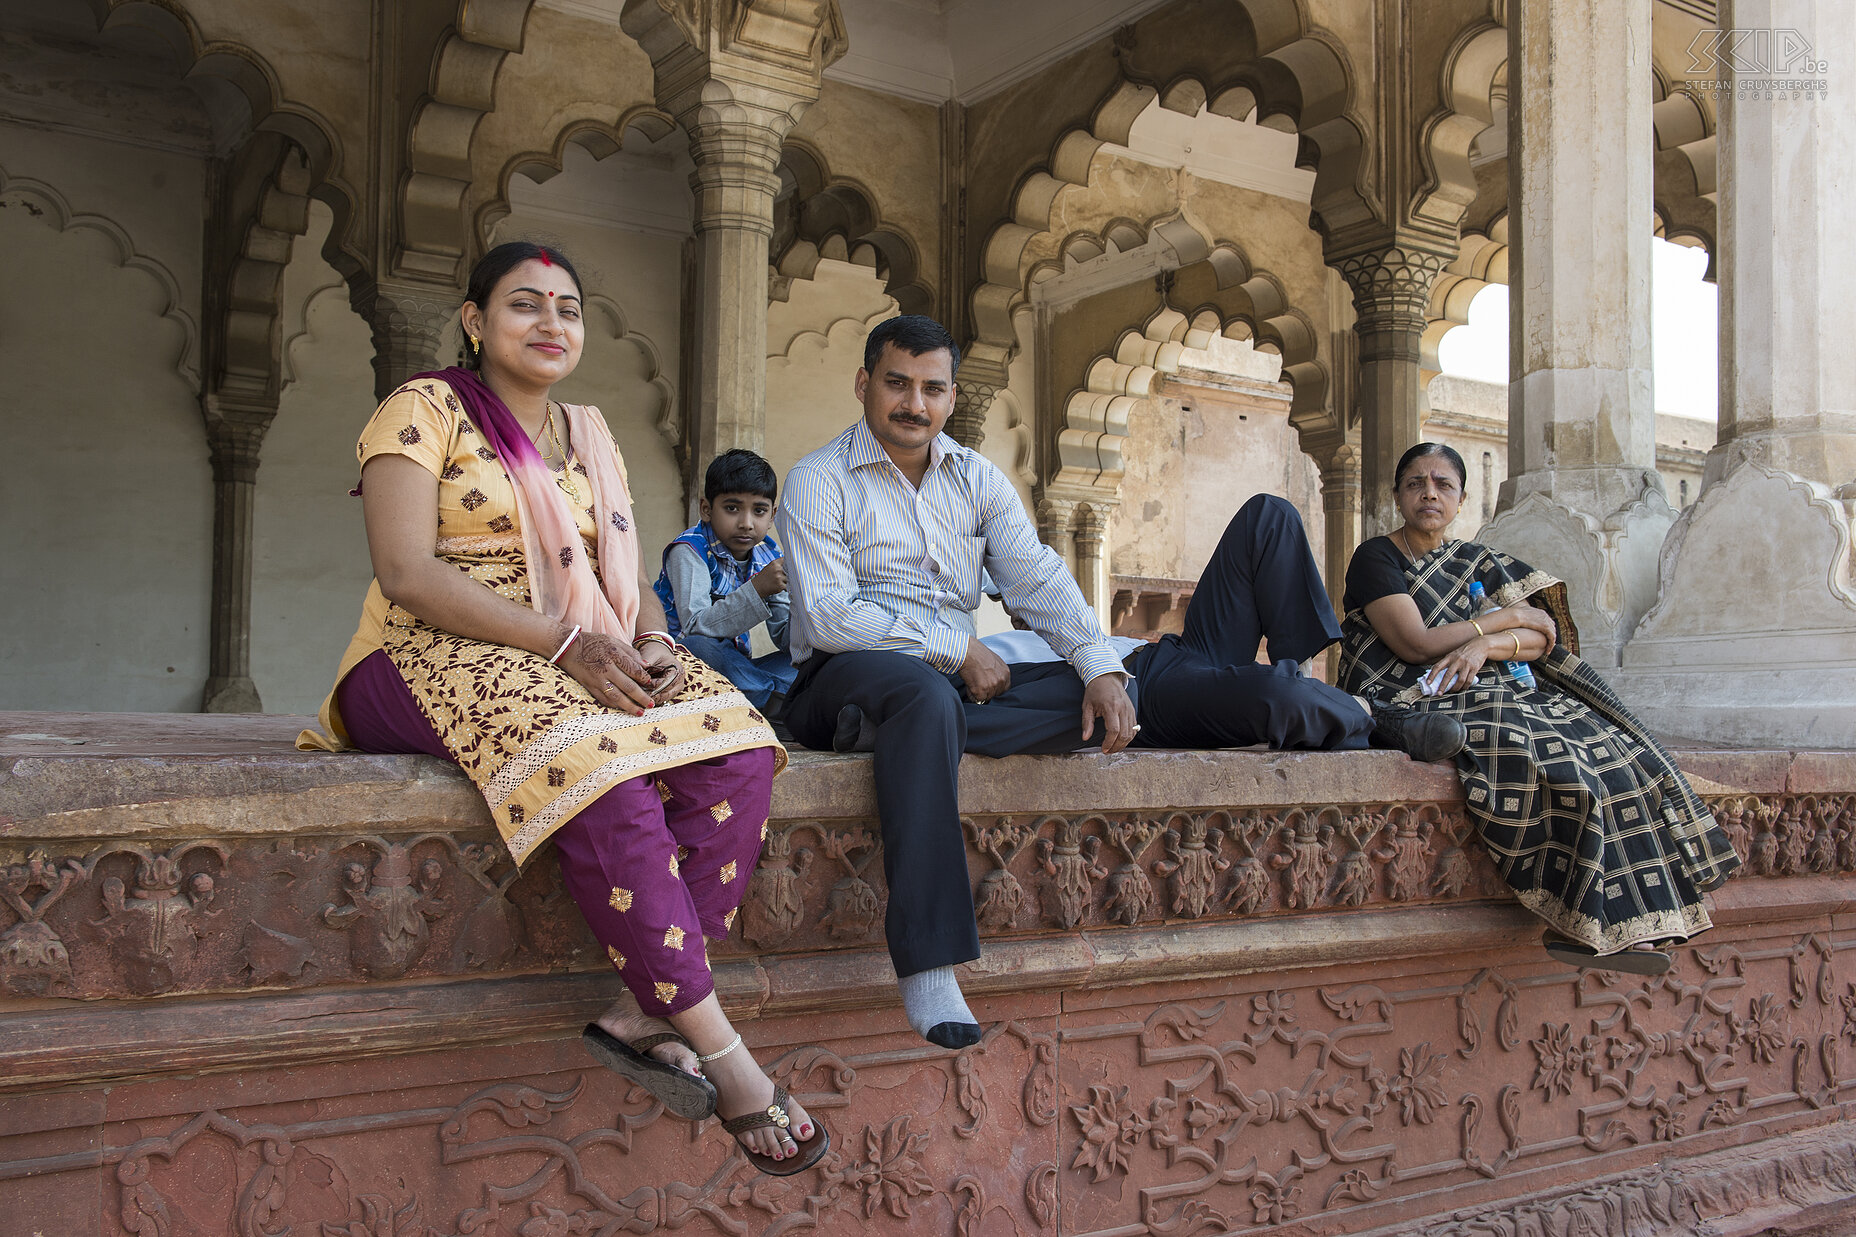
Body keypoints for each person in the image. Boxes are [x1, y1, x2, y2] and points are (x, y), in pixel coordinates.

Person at [297, 241, 826, 1176]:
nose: (551, 324)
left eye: (569, 308)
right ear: (474, 320)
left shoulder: (588, 433)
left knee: (740, 743)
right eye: (525, 304)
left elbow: (623, 577)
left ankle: (641, 1012)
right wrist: (564, 648)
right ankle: (727, 1054)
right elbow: (406, 571)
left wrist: (656, 641)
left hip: (581, 644)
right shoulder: (423, 410)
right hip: (422, 651)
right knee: (599, 757)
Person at [776, 314, 1139, 1050]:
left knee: (1090, 697)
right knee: (922, 694)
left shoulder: (975, 478)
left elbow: (1034, 577)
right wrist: (954, 648)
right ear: (865, 383)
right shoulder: (819, 479)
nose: (914, 403)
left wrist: (1099, 664)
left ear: (948, 396)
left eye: (932, 388)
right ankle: (931, 959)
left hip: (944, 693)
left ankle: (907, 736)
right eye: (897, 383)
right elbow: (830, 617)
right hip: (841, 678)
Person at [1338, 442, 1740, 973]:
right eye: (1415, 483)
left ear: (1461, 500)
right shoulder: (1378, 557)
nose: (1428, 494)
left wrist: (1485, 646)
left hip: (1488, 683)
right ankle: (1580, 919)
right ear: (1397, 495)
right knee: (1546, 760)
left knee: (1613, 751)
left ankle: (1642, 919)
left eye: (1442, 485)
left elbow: (1542, 639)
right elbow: (1414, 643)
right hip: (1410, 696)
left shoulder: (1475, 562)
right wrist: (1499, 624)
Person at [981, 494, 1441, 756]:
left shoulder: (1038, 632)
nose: (1021, 607)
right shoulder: (978, 668)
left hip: (1171, 653)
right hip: (1147, 697)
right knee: (1275, 695)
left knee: (1268, 515)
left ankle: (1297, 674)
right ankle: (1370, 716)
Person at [652, 449, 795, 710]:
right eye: (732, 508)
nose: (746, 523)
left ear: (772, 516)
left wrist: (807, 606)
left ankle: (765, 695)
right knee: (699, 647)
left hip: (738, 668)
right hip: (686, 663)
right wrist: (757, 589)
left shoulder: (769, 555)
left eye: (759, 511)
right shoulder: (690, 550)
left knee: (807, 660)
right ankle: (780, 700)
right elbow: (694, 628)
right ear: (706, 509)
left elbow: (785, 638)